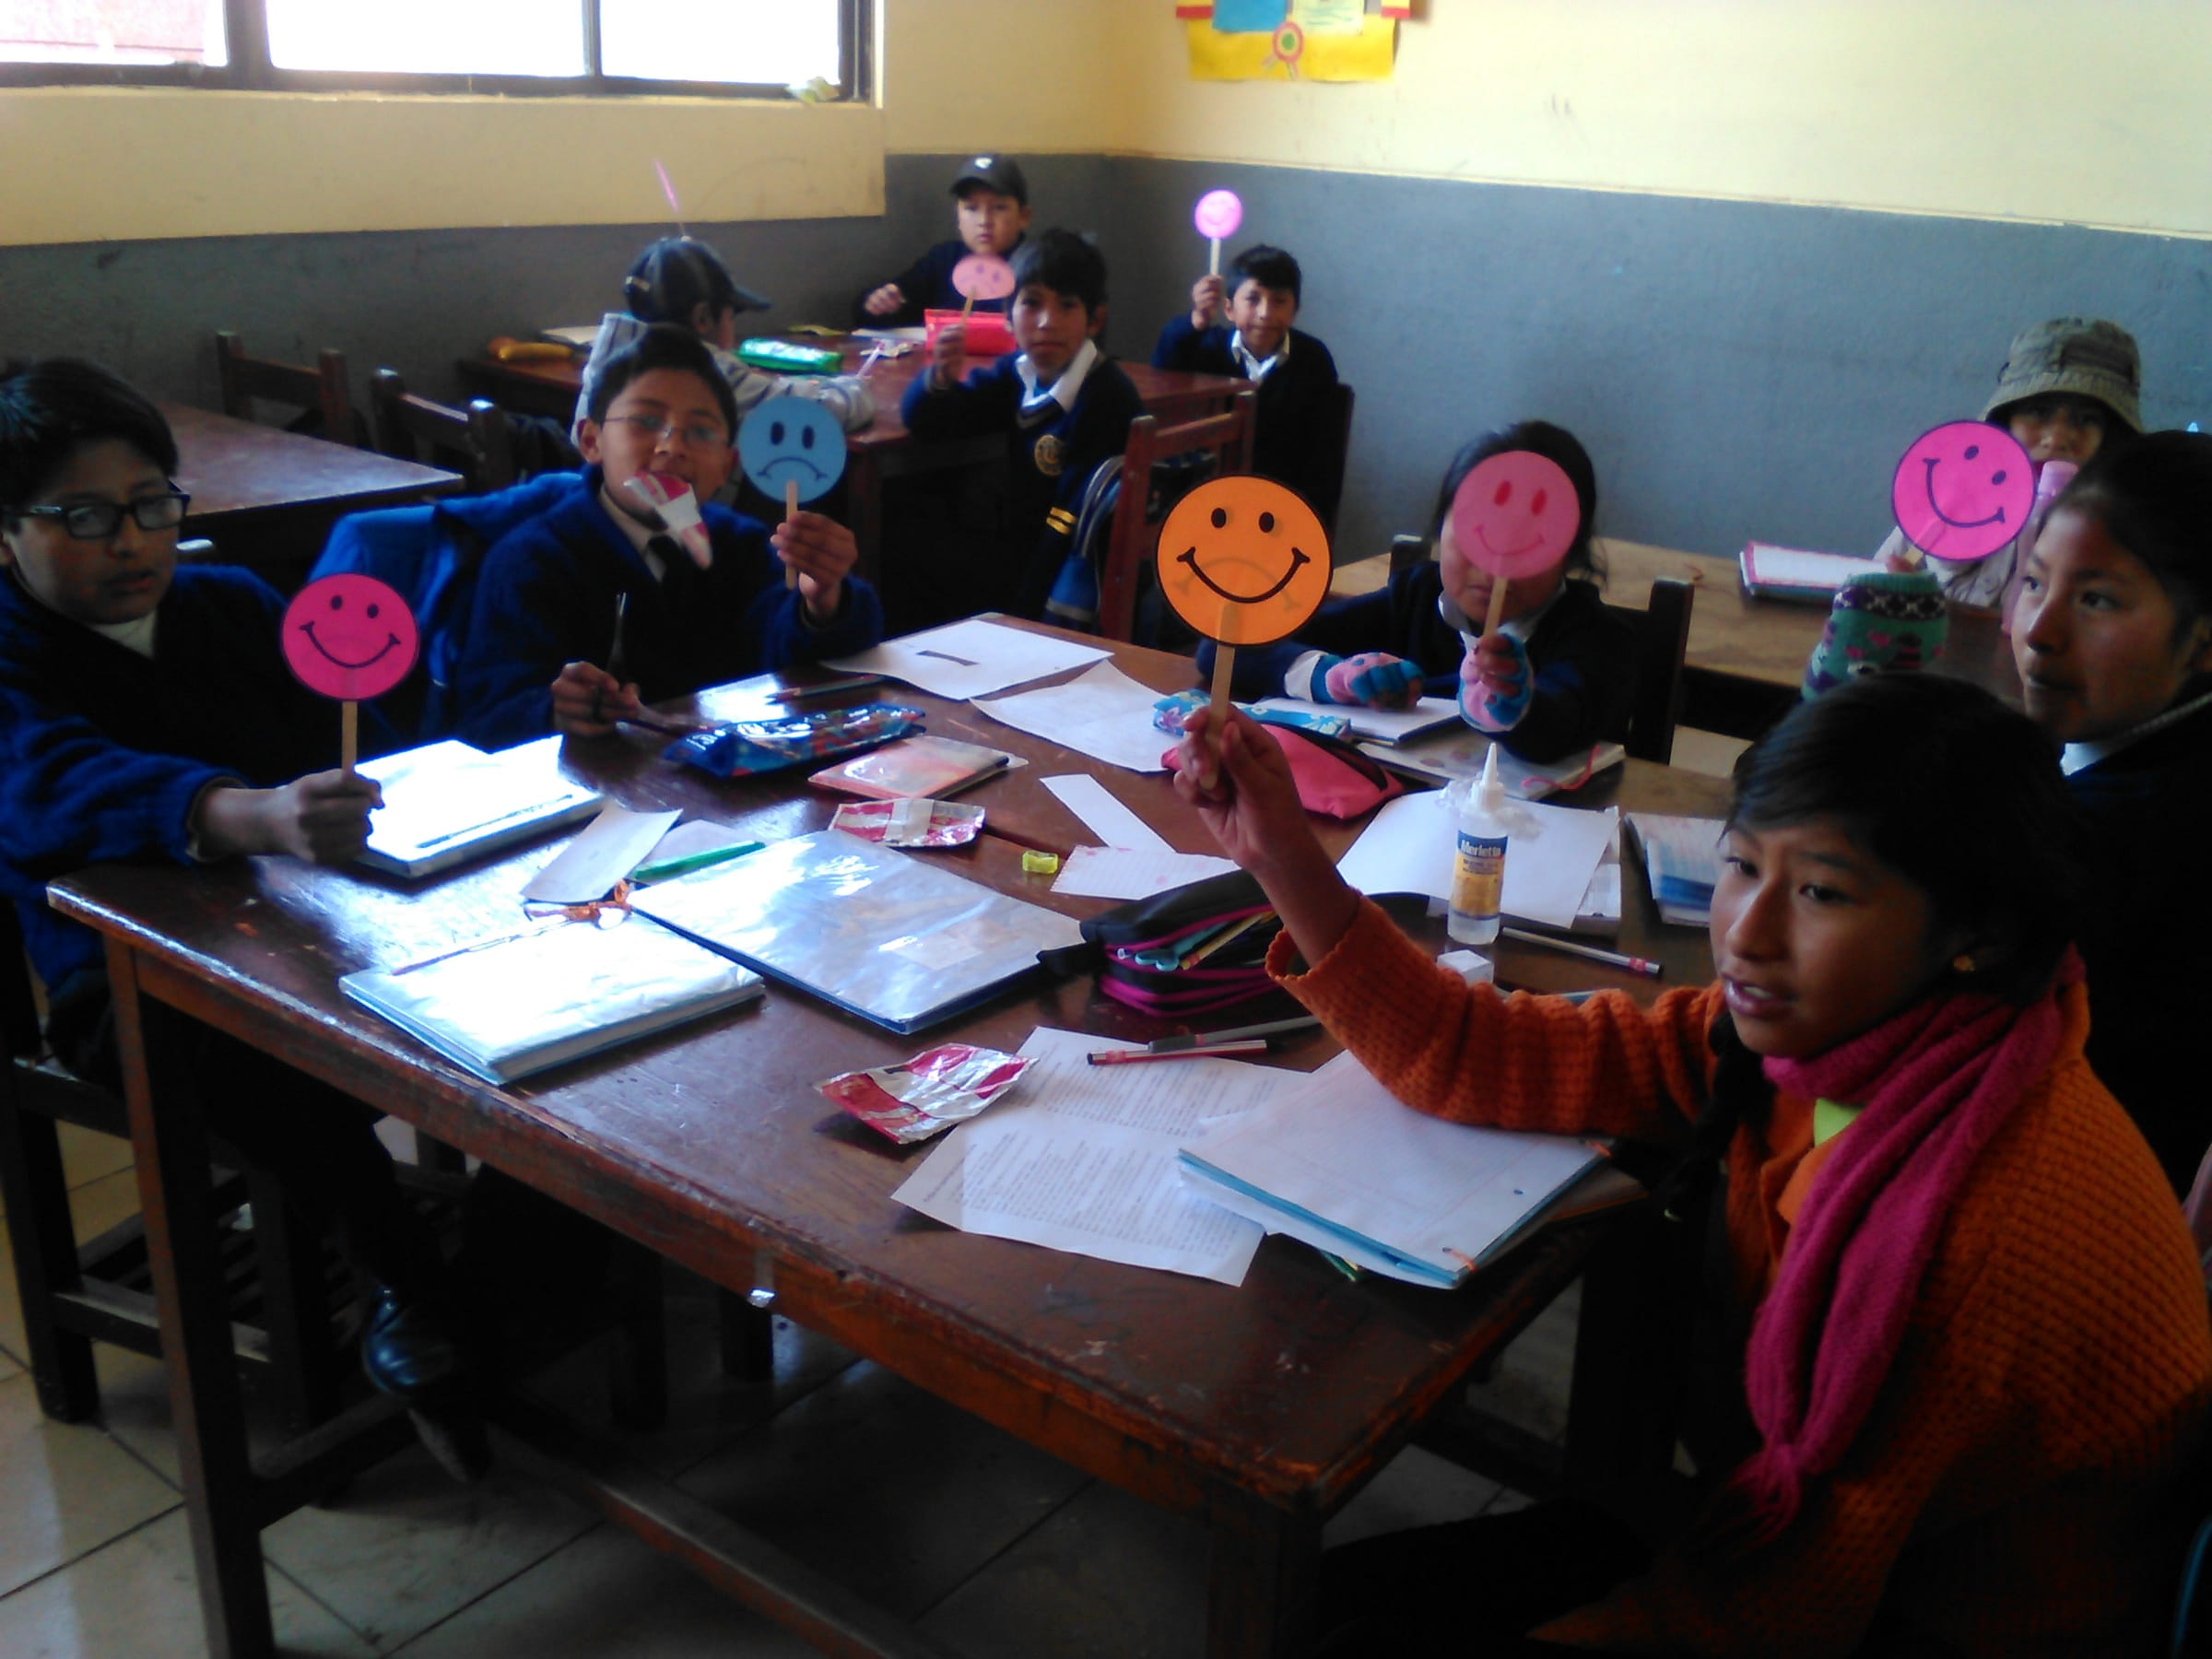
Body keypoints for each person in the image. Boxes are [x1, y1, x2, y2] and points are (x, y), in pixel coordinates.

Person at [1171, 673, 2212, 1656]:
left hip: (1924, 1625)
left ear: (1976, 931)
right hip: (1775, 1536)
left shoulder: (1971, 1234)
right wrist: (1285, 861)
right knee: (1328, 1607)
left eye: (1823, 893)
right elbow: (1487, 1057)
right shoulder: (1832, 1039)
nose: (1746, 936)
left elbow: (1780, 1618)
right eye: (1744, 865)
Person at [0, 359, 482, 1474]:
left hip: (294, 927)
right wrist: (248, 812)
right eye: (81, 515)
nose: (128, 542)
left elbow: (355, 743)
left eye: (150, 506)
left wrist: (392, 710)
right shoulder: (14, 654)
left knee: (487, 973)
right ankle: (408, 1276)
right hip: (114, 981)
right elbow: (49, 785)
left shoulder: (228, 607)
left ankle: (529, 1243)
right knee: (254, 1058)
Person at [453, 324, 882, 749]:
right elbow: (486, 716)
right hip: (602, 796)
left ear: (726, 464)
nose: (673, 446)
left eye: (700, 431)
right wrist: (555, 710)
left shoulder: (740, 544)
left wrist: (823, 601)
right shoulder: (533, 560)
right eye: (646, 421)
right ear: (591, 440)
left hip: (729, 784)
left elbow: (785, 654)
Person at [2011, 429, 2212, 1191]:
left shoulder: (2126, 838)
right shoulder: (2112, 757)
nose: (2040, 631)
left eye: (2095, 600)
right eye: (2034, 581)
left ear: (2204, 641)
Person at [1200, 422, 1635, 764]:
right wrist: (1327, 676)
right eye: (1473, 531)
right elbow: (1226, 643)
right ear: (1439, 527)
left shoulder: (1595, 636)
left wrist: (1516, 707)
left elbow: (1558, 726)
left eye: (1526, 542)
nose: (1491, 564)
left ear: (1571, 551)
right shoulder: (1415, 597)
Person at [900, 228, 1142, 619]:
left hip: (1069, 572)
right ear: (1007, 319)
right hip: (1020, 549)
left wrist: (1021, 615)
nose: (1047, 322)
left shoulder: (1105, 398)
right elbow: (931, 422)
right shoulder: (1016, 374)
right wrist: (940, 378)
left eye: (1066, 306)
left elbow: (1071, 526)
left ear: (1095, 319)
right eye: (1031, 304)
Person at [1875, 316, 2142, 609]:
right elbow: (1877, 582)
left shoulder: (2125, 530)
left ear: (2112, 437)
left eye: (2086, 419)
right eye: (2038, 412)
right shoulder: (1949, 500)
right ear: (2005, 421)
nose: (2057, 439)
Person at [574, 236, 875, 440]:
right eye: (732, 315)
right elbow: (826, 411)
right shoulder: (705, 375)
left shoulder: (606, 362)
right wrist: (854, 385)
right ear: (703, 319)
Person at [1151, 243, 1343, 525]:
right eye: (1253, 299)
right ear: (1228, 308)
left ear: (1295, 310)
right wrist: (1197, 319)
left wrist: (1304, 519)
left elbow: (1323, 457)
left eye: (1279, 301)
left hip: (1278, 508)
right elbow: (1164, 369)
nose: (1265, 313)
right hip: (1204, 503)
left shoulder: (1313, 360)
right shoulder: (1206, 347)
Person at [855, 154, 1031, 326]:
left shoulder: (1038, 264)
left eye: (999, 208)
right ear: (958, 216)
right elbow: (887, 310)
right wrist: (879, 304)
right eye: (971, 208)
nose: (984, 221)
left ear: (1023, 216)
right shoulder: (943, 260)